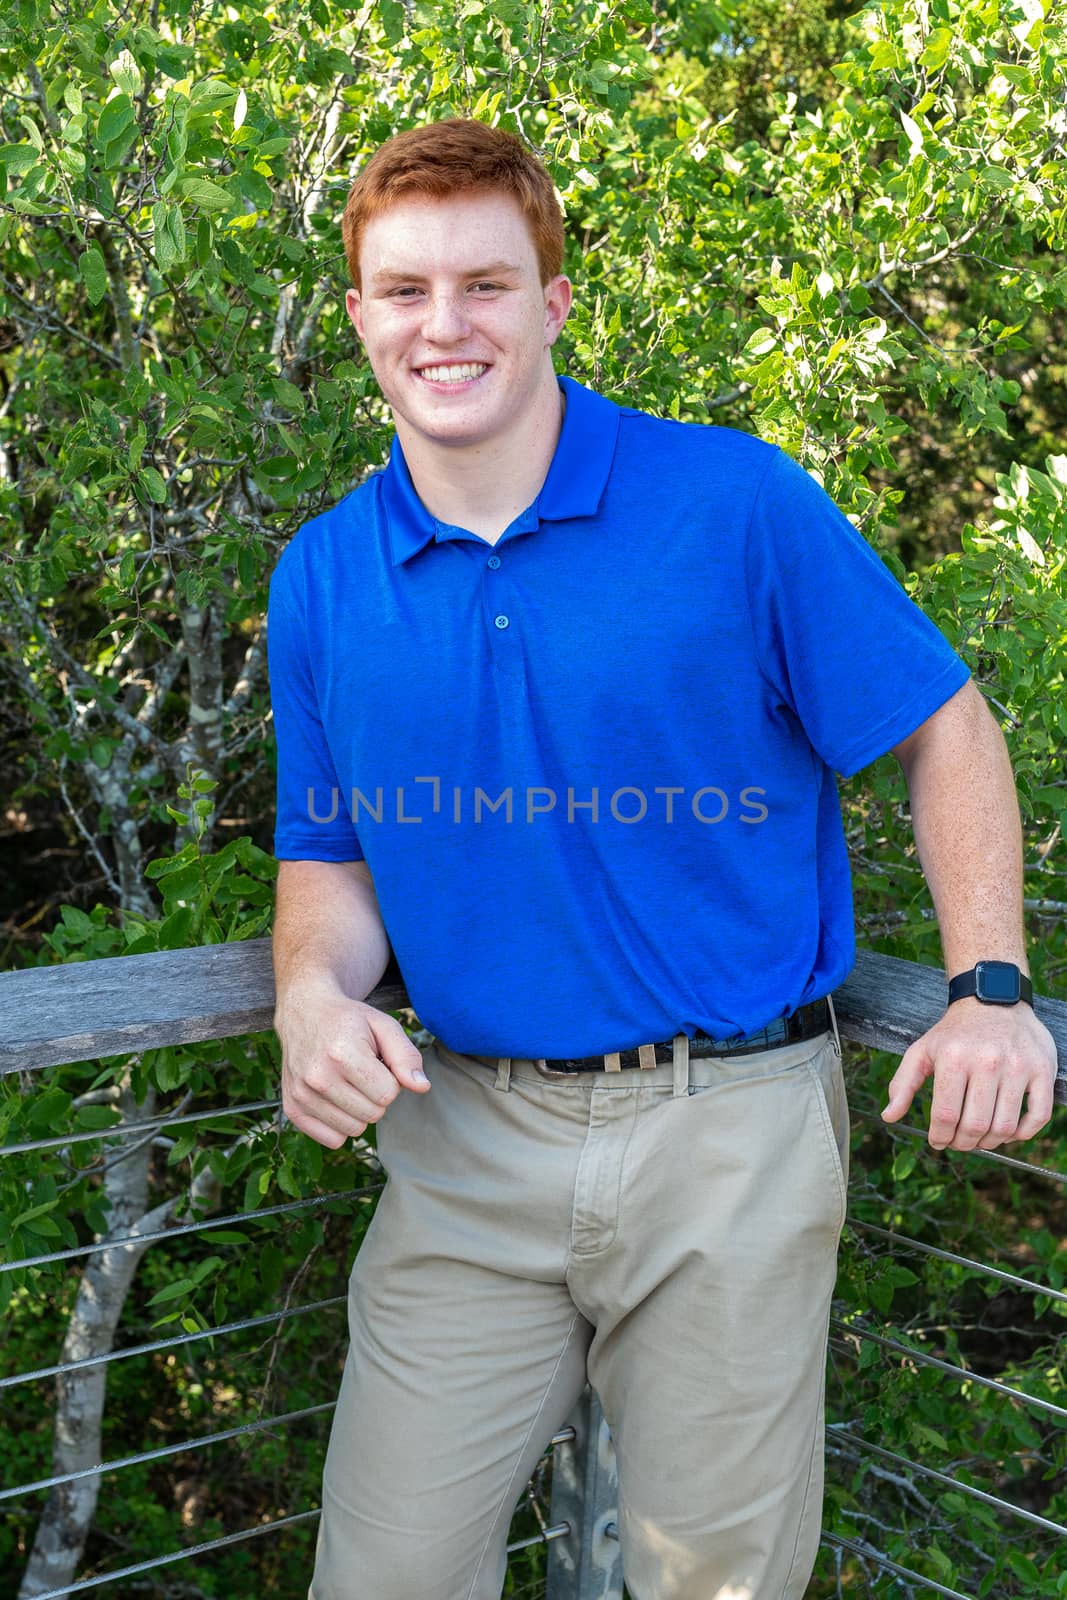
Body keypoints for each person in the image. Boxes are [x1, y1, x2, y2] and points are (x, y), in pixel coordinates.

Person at [266, 118, 1058, 1600]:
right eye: (406, 290)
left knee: (717, 1588)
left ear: (555, 301)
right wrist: (313, 996)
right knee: (381, 1575)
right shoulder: (320, 577)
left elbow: (944, 724)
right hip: (460, 1148)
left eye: (487, 285)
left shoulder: (732, 504)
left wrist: (989, 985)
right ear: (362, 313)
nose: (447, 326)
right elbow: (332, 850)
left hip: (731, 1138)